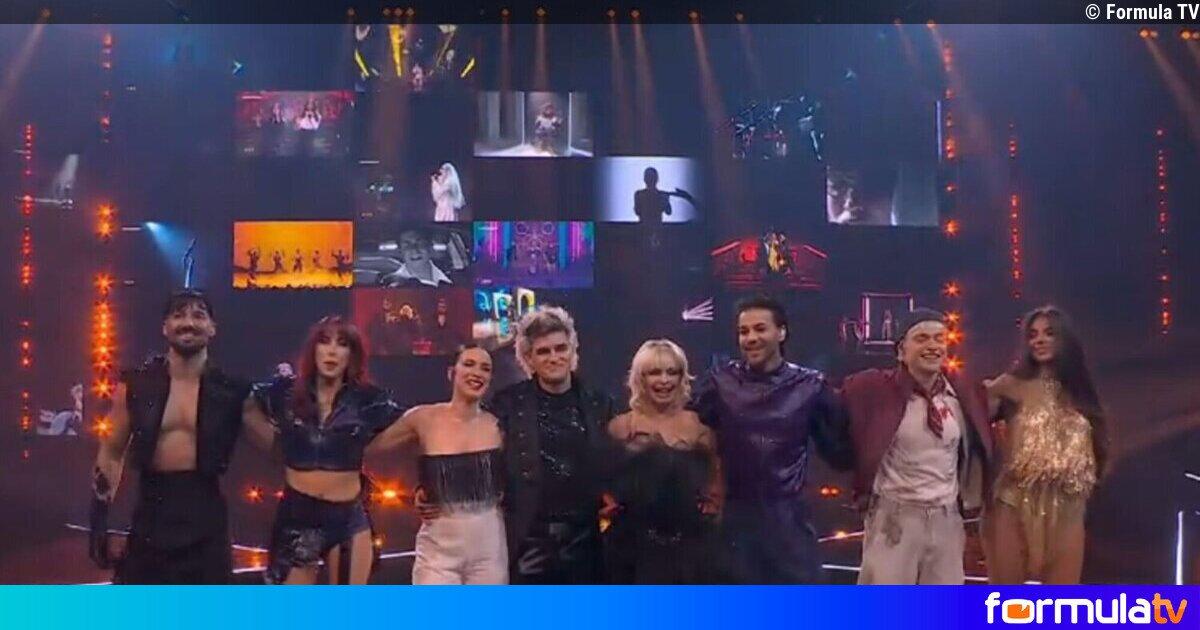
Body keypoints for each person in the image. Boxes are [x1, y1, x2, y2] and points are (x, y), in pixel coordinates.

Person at [421, 306, 615, 583]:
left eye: (561, 348)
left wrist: (615, 495)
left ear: (573, 350)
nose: (554, 357)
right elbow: (470, 444)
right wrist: (431, 486)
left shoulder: (599, 403)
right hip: (527, 541)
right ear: (528, 358)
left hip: (587, 541)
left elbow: (621, 460)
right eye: (543, 351)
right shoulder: (508, 403)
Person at [89, 290, 251, 584]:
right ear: (165, 327)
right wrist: (99, 517)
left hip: (207, 522)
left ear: (212, 328)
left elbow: (276, 446)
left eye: (198, 315)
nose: (188, 323)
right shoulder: (136, 385)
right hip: (151, 517)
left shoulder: (232, 391)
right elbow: (112, 451)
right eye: (179, 315)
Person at [690, 295, 853, 583]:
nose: (751, 338)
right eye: (743, 331)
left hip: (789, 526)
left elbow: (840, 453)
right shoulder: (719, 382)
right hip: (735, 526)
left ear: (781, 332)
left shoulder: (810, 386)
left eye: (760, 329)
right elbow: (688, 436)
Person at [243, 316, 404, 584]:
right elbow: (243, 403)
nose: (331, 351)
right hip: (298, 517)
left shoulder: (368, 399)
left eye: (342, 344)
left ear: (351, 355)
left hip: (348, 518)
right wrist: (272, 444)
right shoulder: (285, 392)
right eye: (324, 342)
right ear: (313, 350)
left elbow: (413, 427)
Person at [841, 308, 993, 585]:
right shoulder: (873, 389)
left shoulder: (963, 394)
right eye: (922, 338)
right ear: (901, 351)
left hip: (947, 519)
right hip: (895, 519)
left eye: (939, 339)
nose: (933, 346)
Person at [984, 306, 1107, 585]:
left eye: (1049, 333)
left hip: (1067, 506)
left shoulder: (1080, 393)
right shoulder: (1010, 386)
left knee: (1060, 601)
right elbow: (973, 420)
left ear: (1065, 339)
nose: (1039, 340)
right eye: (1033, 334)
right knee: (1007, 599)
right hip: (1015, 501)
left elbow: (1098, 447)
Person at [369, 345, 507, 584]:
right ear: (452, 372)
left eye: (485, 368)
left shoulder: (499, 426)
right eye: (469, 364)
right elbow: (372, 450)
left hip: (489, 549)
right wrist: (414, 488)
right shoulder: (423, 419)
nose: (477, 373)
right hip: (438, 552)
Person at [604, 339, 723, 584]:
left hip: (691, 550)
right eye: (655, 373)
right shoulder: (619, 428)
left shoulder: (700, 428)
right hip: (631, 551)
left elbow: (716, 487)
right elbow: (603, 486)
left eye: (672, 372)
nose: (664, 380)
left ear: (682, 377)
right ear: (640, 378)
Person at [380, 230, 453, 288]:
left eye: (420, 243)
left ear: (430, 246)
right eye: (407, 245)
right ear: (400, 251)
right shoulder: (389, 286)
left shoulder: (453, 281)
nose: (414, 250)